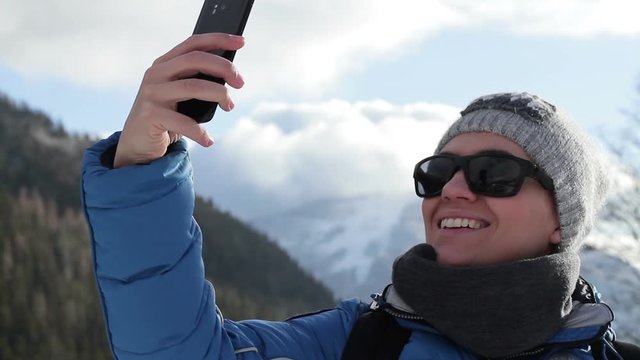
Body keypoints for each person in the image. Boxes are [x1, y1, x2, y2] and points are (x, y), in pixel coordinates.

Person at [81, 33, 636, 359]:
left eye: (494, 174)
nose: (456, 190)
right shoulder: (356, 342)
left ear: (562, 218)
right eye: (438, 172)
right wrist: (140, 167)